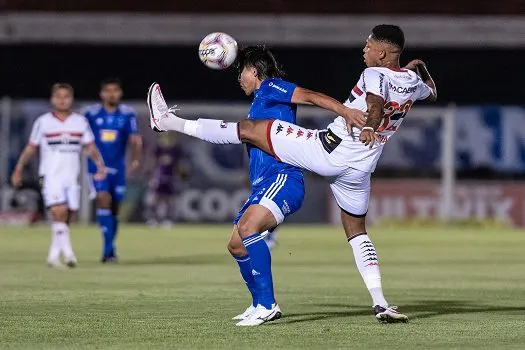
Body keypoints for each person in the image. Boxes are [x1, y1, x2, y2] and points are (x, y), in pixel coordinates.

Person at [147, 25, 437, 324]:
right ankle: (380, 302)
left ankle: (167, 121)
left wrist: (365, 125)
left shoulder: (374, 73)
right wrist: (418, 72)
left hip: (329, 150)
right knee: (357, 233)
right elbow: (430, 91)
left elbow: (374, 105)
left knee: (250, 130)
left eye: (368, 45)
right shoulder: (412, 82)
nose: (364, 50)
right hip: (360, 168)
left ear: (381, 53)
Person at [148, 45, 366, 326]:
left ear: (254, 70)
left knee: (249, 228)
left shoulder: (272, 86)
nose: (239, 79)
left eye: (241, 72)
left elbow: (310, 96)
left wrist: (344, 110)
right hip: (264, 183)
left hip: (283, 177)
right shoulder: (261, 100)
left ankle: (267, 304)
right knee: (237, 245)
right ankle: (257, 303)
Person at [11, 83, 106, 268]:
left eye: (66, 96)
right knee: (58, 211)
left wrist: (100, 165)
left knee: (68, 215)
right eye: (59, 96)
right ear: (52, 99)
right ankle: (69, 254)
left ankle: (53, 256)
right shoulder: (43, 122)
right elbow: (31, 147)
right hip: (50, 174)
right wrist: (18, 168)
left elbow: (90, 146)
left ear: (71, 99)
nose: (62, 100)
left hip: (72, 176)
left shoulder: (80, 122)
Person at [85, 78, 143, 263]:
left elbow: (135, 140)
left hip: (118, 168)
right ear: (102, 94)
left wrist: (134, 160)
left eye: (115, 90)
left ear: (120, 93)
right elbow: (84, 138)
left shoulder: (127, 114)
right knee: (103, 199)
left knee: (115, 208)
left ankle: (110, 245)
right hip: (97, 168)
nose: (111, 94)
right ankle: (108, 250)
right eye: (108, 91)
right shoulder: (90, 113)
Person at [144, 133, 189, 227]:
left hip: (171, 177)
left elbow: (180, 164)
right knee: (155, 198)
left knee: (170, 199)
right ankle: (152, 219)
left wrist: (182, 173)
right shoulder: (158, 148)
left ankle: (168, 219)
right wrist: (149, 173)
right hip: (158, 177)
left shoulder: (176, 149)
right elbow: (152, 161)